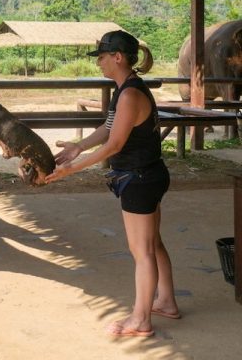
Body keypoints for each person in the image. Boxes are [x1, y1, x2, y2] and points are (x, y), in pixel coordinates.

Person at [45, 30, 180, 337]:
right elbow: (108, 129)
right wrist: (77, 147)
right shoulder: (127, 90)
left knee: (142, 250)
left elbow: (114, 145)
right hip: (148, 175)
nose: (100, 64)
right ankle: (167, 301)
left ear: (118, 57)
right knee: (153, 243)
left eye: (103, 57)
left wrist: (72, 169)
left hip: (139, 179)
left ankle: (141, 320)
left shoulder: (130, 94)